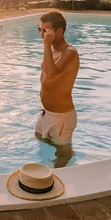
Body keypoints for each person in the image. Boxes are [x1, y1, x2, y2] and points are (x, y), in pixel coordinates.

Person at [35, 11, 79, 167]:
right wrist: (48, 46)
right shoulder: (52, 50)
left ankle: (67, 184)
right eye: (40, 30)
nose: (42, 35)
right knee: (40, 141)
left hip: (61, 118)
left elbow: (51, 76)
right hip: (46, 114)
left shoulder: (70, 53)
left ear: (59, 31)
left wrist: (46, 45)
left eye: (45, 31)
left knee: (63, 155)